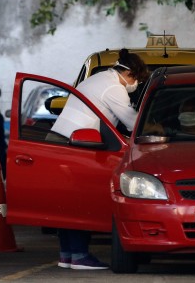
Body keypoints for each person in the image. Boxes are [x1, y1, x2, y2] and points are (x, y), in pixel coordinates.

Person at [50, 48, 149, 270]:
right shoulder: (115, 88)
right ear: (129, 74)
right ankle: (79, 256)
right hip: (75, 146)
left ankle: (67, 255)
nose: (134, 86)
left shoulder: (98, 78)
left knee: (65, 203)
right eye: (136, 81)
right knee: (79, 201)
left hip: (61, 141)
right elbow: (134, 124)